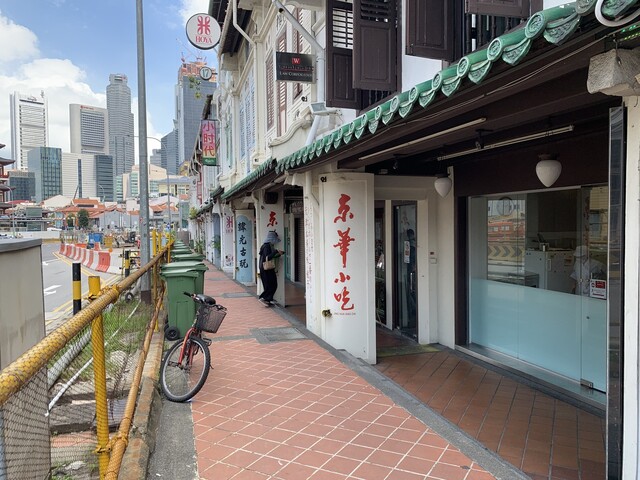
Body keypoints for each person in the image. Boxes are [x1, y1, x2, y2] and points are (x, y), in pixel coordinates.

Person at [258, 231, 284, 306]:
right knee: (271, 284)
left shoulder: (265, 245)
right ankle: (263, 298)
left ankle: (268, 299)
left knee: (270, 284)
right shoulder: (267, 246)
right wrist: (276, 251)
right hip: (266, 268)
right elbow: (268, 257)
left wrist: (278, 254)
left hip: (264, 268)